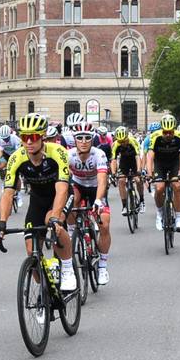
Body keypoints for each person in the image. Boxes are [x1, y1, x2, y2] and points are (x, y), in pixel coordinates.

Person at [0, 113, 77, 291]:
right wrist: (2, 222)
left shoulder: (58, 152)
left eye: (33, 137)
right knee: (31, 250)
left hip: (59, 194)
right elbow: (8, 193)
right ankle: (45, 293)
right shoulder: (17, 158)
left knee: (52, 221)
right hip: (38, 199)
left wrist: (56, 216)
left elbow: (62, 188)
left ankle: (68, 268)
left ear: (42, 137)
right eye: (25, 137)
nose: (29, 142)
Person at [66, 121, 112, 285]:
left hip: (95, 188)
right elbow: (63, 180)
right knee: (69, 203)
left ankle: (102, 266)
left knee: (104, 224)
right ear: (75, 139)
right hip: (78, 185)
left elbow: (101, 181)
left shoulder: (98, 154)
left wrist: (99, 200)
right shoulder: (68, 155)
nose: (83, 141)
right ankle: (72, 232)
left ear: (92, 139)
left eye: (87, 137)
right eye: (80, 138)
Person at [146, 114, 180, 232]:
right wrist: (149, 174)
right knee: (159, 188)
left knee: (177, 186)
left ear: (174, 130)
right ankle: (159, 214)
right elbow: (150, 158)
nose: (168, 135)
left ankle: (178, 218)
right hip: (160, 164)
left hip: (174, 163)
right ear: (162, 130)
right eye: (165, 132)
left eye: (170, 132)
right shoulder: (155, 137)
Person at [110, 126, 145, 215]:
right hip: (124, 162)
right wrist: (113, 173)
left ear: (127, 137)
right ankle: (125, 206)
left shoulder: (133, 141)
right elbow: (113, 160)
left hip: (134, 162)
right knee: (121, 181)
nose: (122, 143)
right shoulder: (115, 144)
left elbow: (138, 157)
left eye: (124, 141)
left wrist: (138, 170)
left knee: (137, 180)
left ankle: (141, 201)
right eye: (120, 141)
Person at [0, 124, 23, 207]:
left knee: (16, 174)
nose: (5, 140)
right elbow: (0, 152)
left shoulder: (15, 139)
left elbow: (18, 153)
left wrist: (13, 163)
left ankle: (18, 195)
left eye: (7, 138)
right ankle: (5, 182)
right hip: (6, 155)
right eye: (4, 138)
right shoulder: (0, 140)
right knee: (1, 167)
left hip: (15, 154)